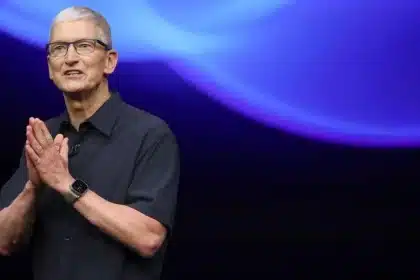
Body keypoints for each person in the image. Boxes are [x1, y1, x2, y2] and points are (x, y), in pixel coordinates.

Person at [0, 6, 180, 280]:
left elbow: (148, 237)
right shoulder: (43, 137)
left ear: (109, 61)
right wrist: (32, 189)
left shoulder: (150, 134)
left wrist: (66, 184)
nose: (70, 58)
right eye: (59, 48)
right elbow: (4, 242)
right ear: (50, 66)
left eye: (83, 46)